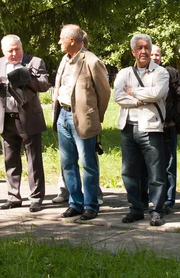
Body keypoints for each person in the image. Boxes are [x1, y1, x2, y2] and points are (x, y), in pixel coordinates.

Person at [53, 25, 111, 220]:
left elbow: (104, 92)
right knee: (67, 163)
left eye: (62, 39)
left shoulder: (92, 61)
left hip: (84, 119)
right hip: (63, 116)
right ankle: (75, 203)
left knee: (88, 163)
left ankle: (91, 206)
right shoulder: (64, 59)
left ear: (72, 41)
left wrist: (95, 117)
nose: (59, 42)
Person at [0, 35, 50, 212]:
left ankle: (36, 198)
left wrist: (27, 78)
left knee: (34, 159)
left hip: (28, 117)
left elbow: (45, 84)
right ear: (3, 51)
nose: (14, 53)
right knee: (10, 158)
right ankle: (13, 196)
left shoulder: (35, 62)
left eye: (17, 49)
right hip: (6, 117)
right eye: (10, 51)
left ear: (22, 47)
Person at [113, 34, 169, 226]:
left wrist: (133, 91)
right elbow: (118, 96)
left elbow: (157, 93)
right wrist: (138, 100)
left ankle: (156, 210)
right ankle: (136, 208)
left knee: (156, 173)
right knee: (129, 171)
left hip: (151, 127)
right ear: (133, 52)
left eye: (146, 47)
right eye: (139, 48)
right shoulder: (124, 73)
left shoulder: (160, 73)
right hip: (128, 127)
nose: (143, 51)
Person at [149, 44, 180, 213]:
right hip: (149, 126)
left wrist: (174, 120)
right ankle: (153, 199)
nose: (155, 57)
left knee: (169, 164)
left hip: (167, 126)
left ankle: (169, 200)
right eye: (152, 54)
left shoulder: (171, 73)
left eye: (157, 54)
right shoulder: (142, 74)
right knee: (151, 164)